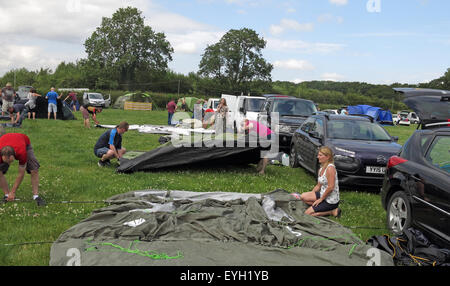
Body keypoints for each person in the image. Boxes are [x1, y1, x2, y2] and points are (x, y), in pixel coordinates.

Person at [292, 146, 341, 217]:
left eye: (320, 155)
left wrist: (320, 199)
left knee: (307, 214)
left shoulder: (330, 168)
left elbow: (331, 187)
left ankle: (331, 211)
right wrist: (311, 195)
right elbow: (318, 186)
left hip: (330, 200)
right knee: (303, 197)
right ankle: (319, 206)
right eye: (318, 155)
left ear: (327, 157)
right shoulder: (321, 169)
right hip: (322, 194)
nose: (318, 157)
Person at [0, 133, 46, 206]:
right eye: (6, 161)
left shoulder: (21, 152)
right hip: (5, 140)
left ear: (13, 155)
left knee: (34, 169)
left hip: (24, 141)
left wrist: (13, 192)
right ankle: (7, 195)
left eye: (10, 161)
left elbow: (21, 173)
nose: (9, 163)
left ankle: (36, 196)